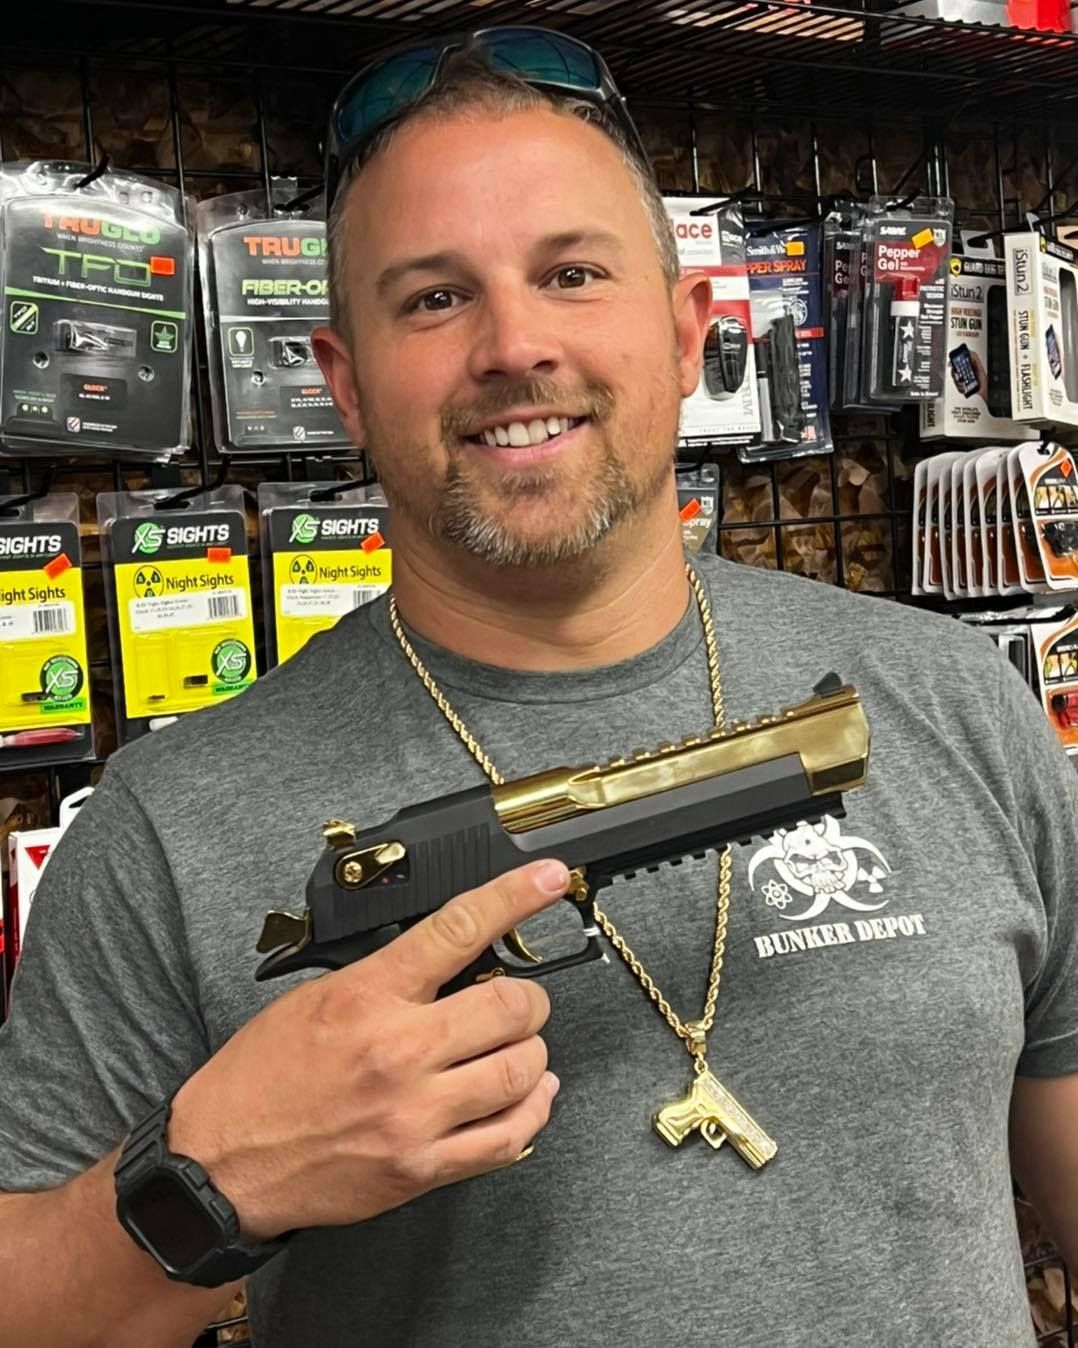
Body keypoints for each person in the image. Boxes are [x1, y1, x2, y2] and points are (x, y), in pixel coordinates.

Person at [1, 25, 1076, 1348]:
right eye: (432, 298)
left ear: (690, 334)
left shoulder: (952, 697)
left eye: (571, 272)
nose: (513, 344)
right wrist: (212, 1185)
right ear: (342, 383)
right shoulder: (166, 828)